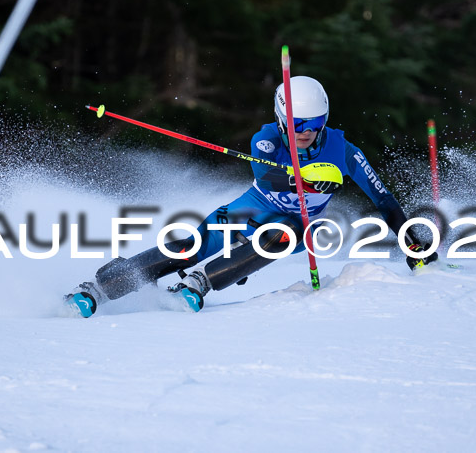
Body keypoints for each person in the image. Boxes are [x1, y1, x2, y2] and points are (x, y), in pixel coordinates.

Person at [66, 76, 437, 317]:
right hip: (251, 208)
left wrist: (410, 241)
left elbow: (383, 198)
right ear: (280, 119)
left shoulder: (345, 152)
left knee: (280, 235)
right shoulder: (266, 139)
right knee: (191, 247)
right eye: (294, 125)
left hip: (291, 224)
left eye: (311, 125)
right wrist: (306, 183)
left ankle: (200, 283)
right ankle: (102, 286)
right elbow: (267, 176)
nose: (302, 133)